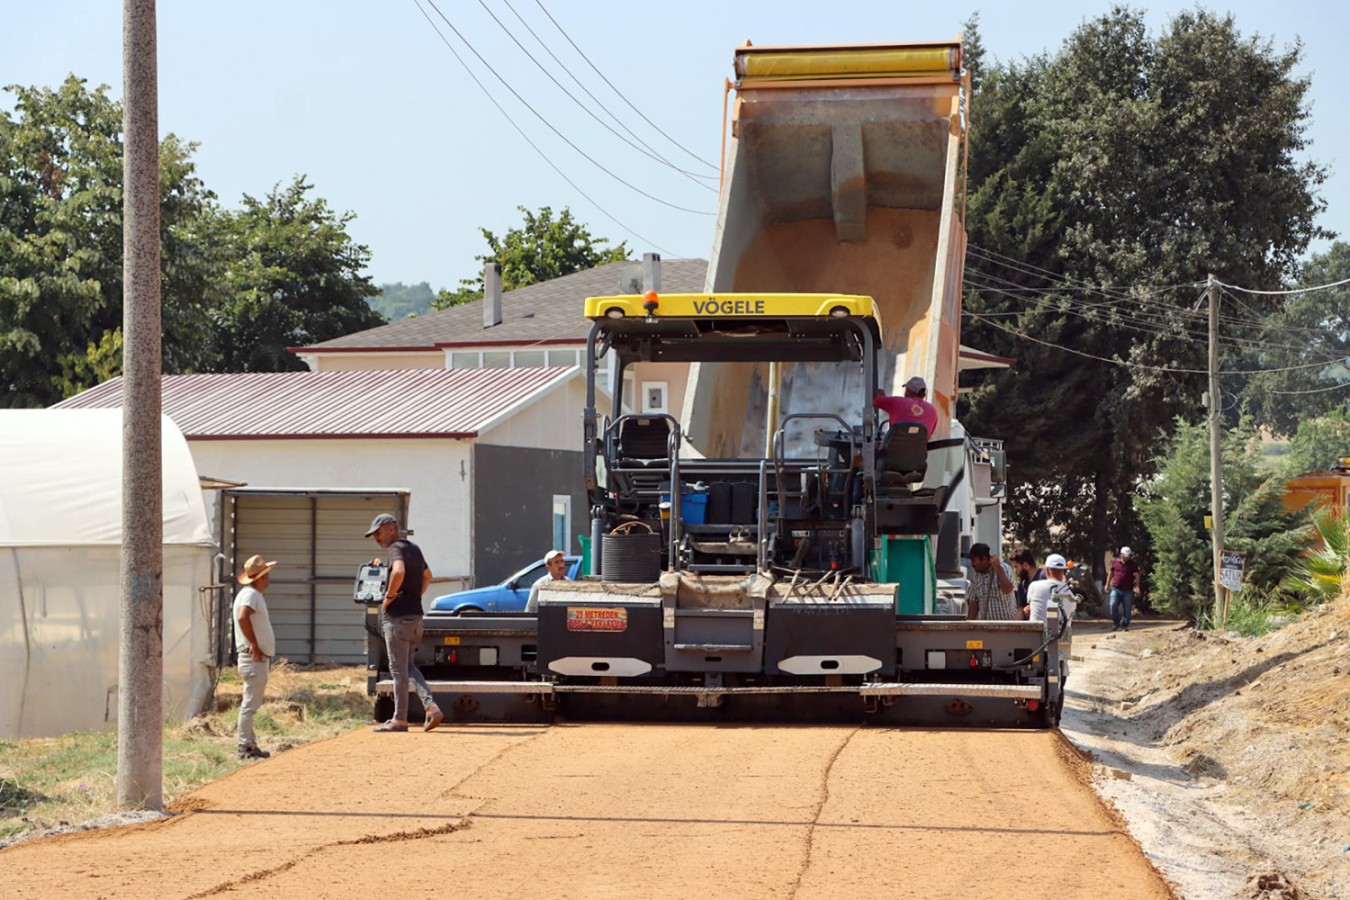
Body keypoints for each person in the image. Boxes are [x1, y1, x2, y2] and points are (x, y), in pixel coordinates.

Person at [366, 513, 444, 733]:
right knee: (408, 667)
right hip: (416, 618)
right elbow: (428, 576)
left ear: (391, 529)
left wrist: (389, 597)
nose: (376, 538)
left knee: (398, 671)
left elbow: (399, 571)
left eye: (378, 533)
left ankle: (400, 720)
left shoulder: (395, 549)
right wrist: (414, 596)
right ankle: (431, 707)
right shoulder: (414, 549)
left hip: (398, 619)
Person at [233, 554, 277, 761]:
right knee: (249, 705)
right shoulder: (251, 595)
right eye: (265, 576)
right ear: (260, 578)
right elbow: (243, 617)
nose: (268, 580)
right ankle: (244, 747)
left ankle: (250, 744)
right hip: (253, 658)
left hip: (254, 657)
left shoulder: (248, 594)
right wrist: (254, 645)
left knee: (251, 704)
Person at [874, 375, 939, 438]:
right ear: (923, 394)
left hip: (895, 444)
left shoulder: (897, 402)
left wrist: (880, 393)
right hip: (919, 445)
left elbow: (874, 400)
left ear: (908, 390)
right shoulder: (932, 410)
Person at [966, 542, 1018, 620]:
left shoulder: (1003, 568)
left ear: (984, 559)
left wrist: (998, 568)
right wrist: (968, 623)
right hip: (986, 625)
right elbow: (973, 603)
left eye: (973, 560)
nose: (971, 564)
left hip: (1006, 624)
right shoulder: (976, 576)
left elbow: (1007, 590)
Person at [1024, 553, 1074, 623]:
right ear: (1063, 572)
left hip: (1037, 630)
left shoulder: (1034, 586)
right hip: (1062, 630)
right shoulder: (1070, 595)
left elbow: (1032, 608)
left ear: (1047, 570)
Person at [525, 549, 572, 613]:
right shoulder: (539, 585)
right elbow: (531, 610)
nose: (561, 565)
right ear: (548, 566)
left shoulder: (570, 583)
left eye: (562, 561)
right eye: (557, 562)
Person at [1109, 546, 1142, 631]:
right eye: (1125, 556)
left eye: (1128, 556)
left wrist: (1137, 587)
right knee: (1112, 605)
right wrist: (1107, 584)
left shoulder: (1132, 564)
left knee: (1127, 608)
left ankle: (1125, 625)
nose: (1127, 558)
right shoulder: (1115, 562)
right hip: (1116, 588)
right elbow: (1111, 572)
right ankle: (1116, 623)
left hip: (1128, 590)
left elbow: (1137, 575)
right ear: (1121, 555)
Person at [1011, 548, 1043, 613]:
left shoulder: (1044, 577)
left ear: (1025, 565)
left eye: (1016, 567)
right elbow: (1020, 610)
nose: (1015, 570)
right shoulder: (1022, 585)